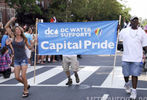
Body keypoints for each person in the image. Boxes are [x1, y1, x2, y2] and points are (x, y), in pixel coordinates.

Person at [119, 16, 147, 99]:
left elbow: (145, 45)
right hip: (126, 57)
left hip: (137, 58)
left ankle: (134, 91)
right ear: (130, 22)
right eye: (133, 21)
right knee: (126, 74)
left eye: (136, 21)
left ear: (138, 22)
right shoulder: (124, 31)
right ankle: (127, 84)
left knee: (135, 75)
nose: (135, 22)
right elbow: (118, 38)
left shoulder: (142, 32)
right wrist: (117, 29)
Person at [5, 17, 31, 98]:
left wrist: (34, 43)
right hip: (16, 60)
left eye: (19, 29)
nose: (18, 31)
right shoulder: (12, 37)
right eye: (16, 30)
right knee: (16, 77)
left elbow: (30, 48)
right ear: (15, 32)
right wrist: (11, 20)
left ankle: (25, 90)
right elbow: (6, 27)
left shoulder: (24, 39)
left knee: (23, 76)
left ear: (21, 31)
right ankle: (26, 84)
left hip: (23, 59)